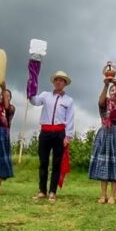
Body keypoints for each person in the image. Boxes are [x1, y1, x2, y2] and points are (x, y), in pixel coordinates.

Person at [30, 71, 75, 203]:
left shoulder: (69, 100)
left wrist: (68, 136)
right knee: (43, 162)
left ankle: (52, 192)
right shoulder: (45, 95)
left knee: (56, 163)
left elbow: (70, 118)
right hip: (45, 131)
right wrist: (30, 89)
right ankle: (42, 190)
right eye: (56, 80)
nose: (58, 82)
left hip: (60, 133)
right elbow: (34, 101)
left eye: (61, 80)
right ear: (54, 82)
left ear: (65, 83)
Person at [88, 77, 116, 204]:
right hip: (105, 132)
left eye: (115, 90)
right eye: (111, 90)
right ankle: (103, 195)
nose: (113, 91)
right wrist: (106, 85)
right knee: (104, 162)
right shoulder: (105, 103)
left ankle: (112, 196)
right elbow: (100, 101)